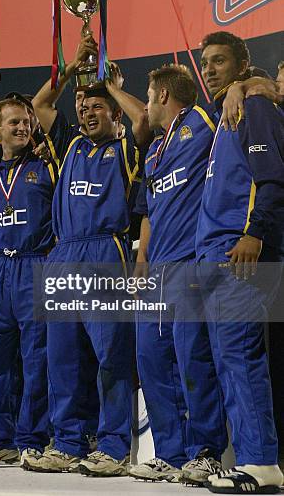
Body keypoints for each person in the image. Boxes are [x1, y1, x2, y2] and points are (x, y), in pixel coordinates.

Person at [26, 60, 147, 477]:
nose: (87, 113)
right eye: (83, 107)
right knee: (62, 358)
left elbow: (143, 118)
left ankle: (113, 447)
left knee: (111, 356)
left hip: (106, 252)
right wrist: (72, 67)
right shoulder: (70, 145)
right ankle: (68, 443)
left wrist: (112, 89)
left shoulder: (128, 149)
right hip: (64, 255)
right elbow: (40, 103)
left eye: (97, 107)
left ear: (113, 113)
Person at [129, 64, 228, 485]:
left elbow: (233, 115)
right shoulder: (153, 150)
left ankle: (205, 451)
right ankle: (169, 453)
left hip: (191, 261)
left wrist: (244, 86)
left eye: (149, 97)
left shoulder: (203, 121)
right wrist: (141, 260)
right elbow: (148, 210)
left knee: (193, 359)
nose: (146, 107)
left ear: (164, 96)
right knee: (151, 360)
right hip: (157, 268)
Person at [194, 31, 284, 493]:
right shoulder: (226, 111)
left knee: (242, 357)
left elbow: (271, 179)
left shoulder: (255, 107)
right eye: (205, 62)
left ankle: (259, 461)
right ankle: (253, 458)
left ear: (242, 65)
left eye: (220, 62)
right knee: (231, 359)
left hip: (240, 252)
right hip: (214, 254)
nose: (209, 69)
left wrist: (253, 234)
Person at [0, 96, 56, 467]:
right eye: (13, 122)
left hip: (35, 266)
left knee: (36, 358)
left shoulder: (48, 165)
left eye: (26, 122)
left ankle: (32, 438)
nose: (21, 128)